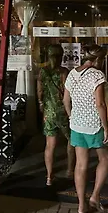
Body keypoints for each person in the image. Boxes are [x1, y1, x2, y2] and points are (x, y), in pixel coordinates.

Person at [63, 44, 108, 213]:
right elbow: (100, 104)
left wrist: (72, 117)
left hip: (76, 125)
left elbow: (65, 100)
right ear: (96, 59)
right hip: (94, 125)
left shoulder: (72, 73)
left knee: (81, 165)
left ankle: (81, 205)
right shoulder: (97, 75)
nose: (102, 62)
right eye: (102, 59)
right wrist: (106, 127)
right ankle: (95, 196)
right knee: (105, 159)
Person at [37, 44, 75, 186]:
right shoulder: (64, 72)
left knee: (50, 145)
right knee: (71, 140)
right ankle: (69, 171)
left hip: (49, 112)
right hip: (63, 111)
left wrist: (41, 104)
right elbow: (68, 93)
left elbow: (40, 91)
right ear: (61, 56)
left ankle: (49, 177)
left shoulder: (43, 71)